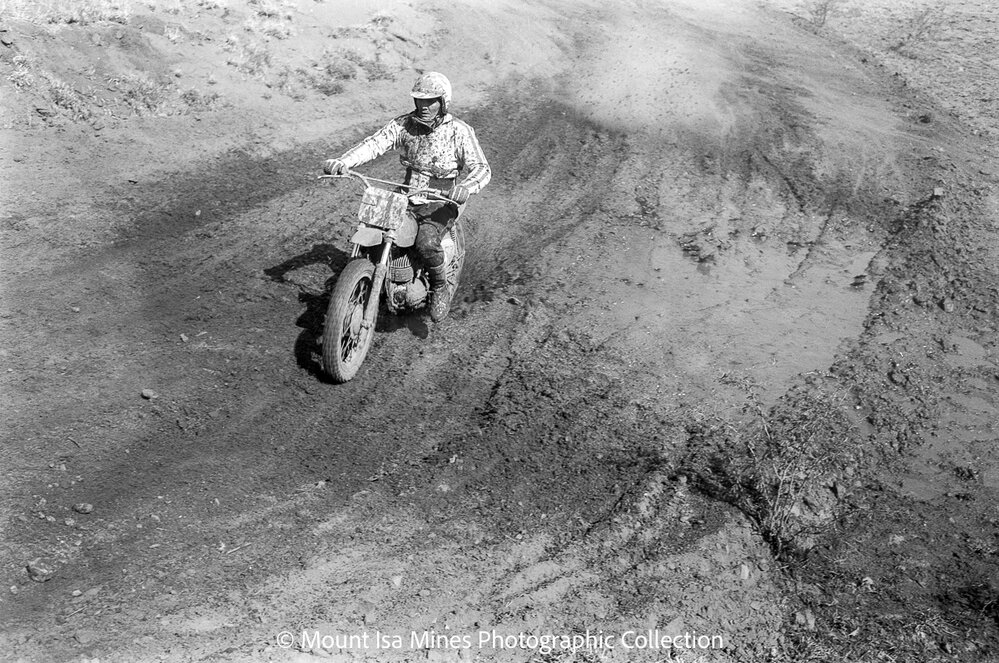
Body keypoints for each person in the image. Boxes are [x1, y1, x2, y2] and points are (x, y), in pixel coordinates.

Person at [323, 71, 491, 323]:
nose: (423, 106)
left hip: (440, 200)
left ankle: (439, 288)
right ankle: (361, 278)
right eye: (419, 100)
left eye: (431, 101)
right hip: (406, 195)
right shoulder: (404, 125)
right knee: (374, 227)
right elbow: (375, 143)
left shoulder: (459, 131)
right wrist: (343, 161)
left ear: (443, 102)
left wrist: (465, 187)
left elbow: (482, 168)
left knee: (425, 242)